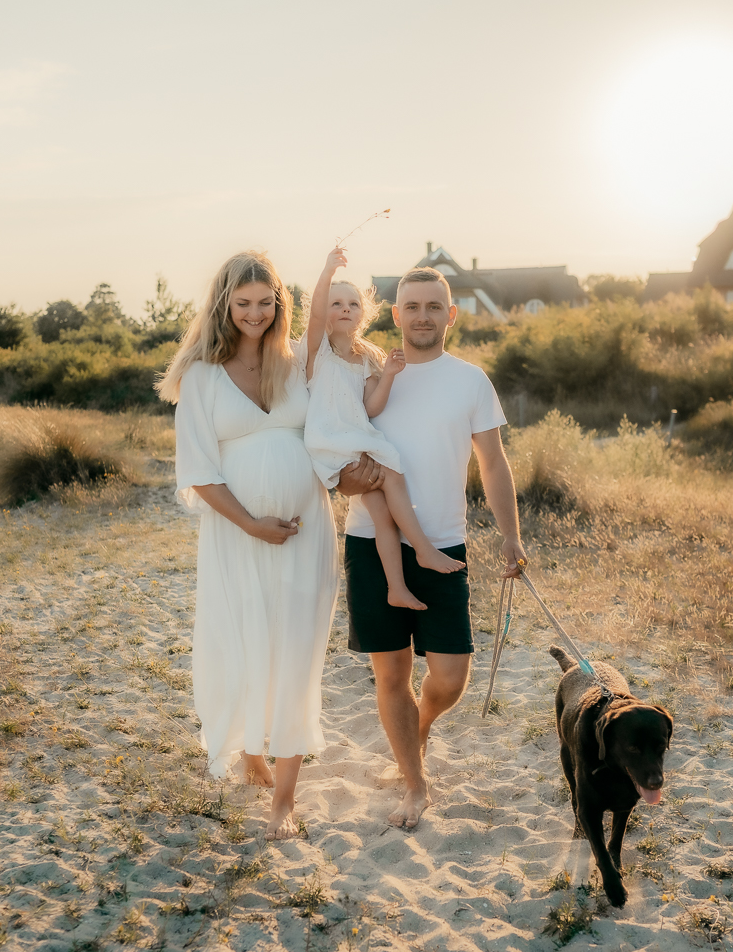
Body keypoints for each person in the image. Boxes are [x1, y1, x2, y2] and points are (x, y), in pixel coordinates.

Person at [335, 266, 526, 829]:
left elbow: (493, 463)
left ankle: (415, 732)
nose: (422, 316)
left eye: (433, 307)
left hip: (445, 543)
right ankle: (415, 785)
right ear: (396, 315)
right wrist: (349, 481)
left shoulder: (470, 381)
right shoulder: (365, 376)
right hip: (373, 545)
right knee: (390, 674)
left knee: (450, 676)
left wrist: (511, 537)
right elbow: (333, 461)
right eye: (411, 306)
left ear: (451, 315)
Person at [157, 250, 338, 840]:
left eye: (266, 302)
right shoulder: (202, 379)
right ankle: (249, 747)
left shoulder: (297, 367)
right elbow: (201, 473)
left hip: (306, 532)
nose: (255, 313)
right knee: (245, 643)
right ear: (224, 305)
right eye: (243, 304)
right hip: (238, 537)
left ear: (278, 304)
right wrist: (252, 523)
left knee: (296, 651)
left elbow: (338, 422)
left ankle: (284, 800)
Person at [302, 244, 464, 611]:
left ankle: (397, 588)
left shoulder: (366, 358)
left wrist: (388, 375)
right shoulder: (317, 352)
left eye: (353, 304)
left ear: (365, 313)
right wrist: (327, 273)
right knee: (394, 474)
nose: (345, 308)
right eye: (335, 302)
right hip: (331, 443)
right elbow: (313, 318)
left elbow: (372, 406)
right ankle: (423, 548)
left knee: (382, 516)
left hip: (355, 444)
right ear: (324, 309)